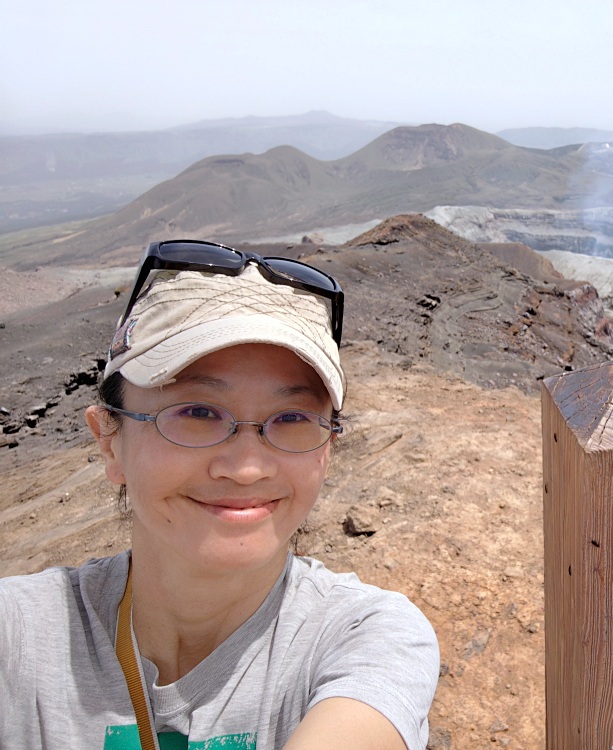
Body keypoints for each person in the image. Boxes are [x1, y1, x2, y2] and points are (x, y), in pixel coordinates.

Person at [0, 240, 439, 749]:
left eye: (292, 418)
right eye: (198, 412)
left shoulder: (363, 638)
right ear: (109, 440)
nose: (247, 468)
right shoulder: (20, 635)